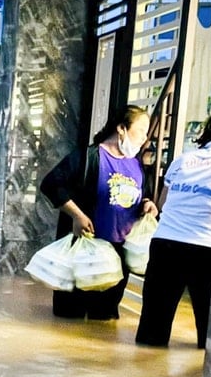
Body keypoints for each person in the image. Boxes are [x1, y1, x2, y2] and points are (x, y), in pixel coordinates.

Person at [40, 104, 159, 320]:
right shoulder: (88, 157)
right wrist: (77, 215)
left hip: (115, 259)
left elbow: (143, 196)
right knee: (69, 319)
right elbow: (50, 184)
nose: (145, 137)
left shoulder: (137, 164)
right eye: (141, 130)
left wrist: (148, 204)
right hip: (84, 252)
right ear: (121, 128)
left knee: (103, 321)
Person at [136, 107, 211, 348]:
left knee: (152, 333)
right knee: (210, 340)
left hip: (166, 243)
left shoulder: (181, 160)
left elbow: (162, 204)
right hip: (209, 249)